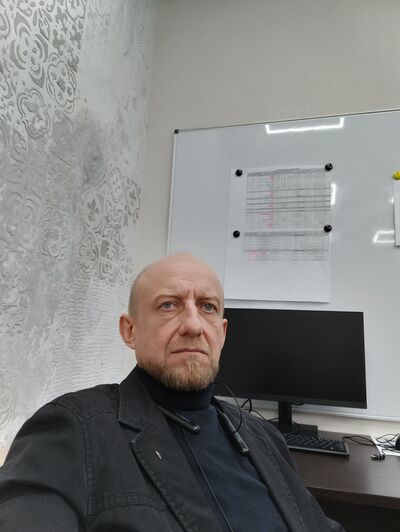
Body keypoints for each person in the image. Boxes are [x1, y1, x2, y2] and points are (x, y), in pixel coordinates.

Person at [0, 254, 344, 531]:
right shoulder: (74, 428)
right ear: (130, 330)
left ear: (222, 333)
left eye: (207, 307)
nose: (193, 325)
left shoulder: (265, 437)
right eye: (169, 305)